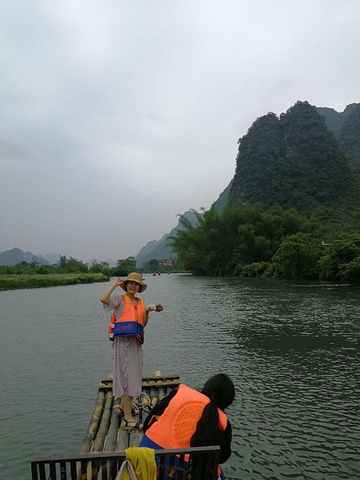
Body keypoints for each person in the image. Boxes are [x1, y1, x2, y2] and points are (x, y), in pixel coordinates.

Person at [139, 373, 235, 479]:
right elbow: (221, 458)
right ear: (227, 403)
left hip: (147, 463)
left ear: (205, 387)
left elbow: (147, 426)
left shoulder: (177, 394)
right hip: (186, 473)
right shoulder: (223, 423)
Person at [100, 272, 162, 430]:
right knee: (126, 377)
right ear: (126, 285)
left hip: (135, 343)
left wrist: (148, 311)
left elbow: (143, 324)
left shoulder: (141, 302)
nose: (133, 286)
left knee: (133, 375)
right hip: (123, 343)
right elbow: (104, 299)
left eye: (136, 284)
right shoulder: (120, 300)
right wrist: (114, 284)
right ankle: (127, 420)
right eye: (131, 283)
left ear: (139, 287)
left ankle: (123, 407)